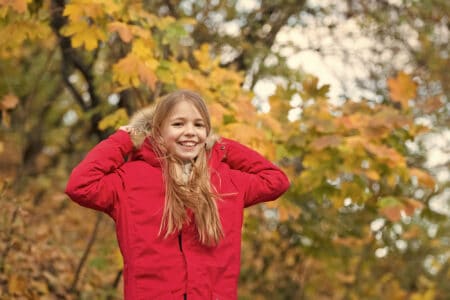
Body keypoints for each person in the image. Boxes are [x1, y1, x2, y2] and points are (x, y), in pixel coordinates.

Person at [65, 90, 290, 300]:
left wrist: (222, 147)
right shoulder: (130, 179)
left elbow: (276, 180)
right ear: (158, 130)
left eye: (199, 125)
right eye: (178, 124)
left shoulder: (226, 182)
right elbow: (80, 186)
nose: (190, 132)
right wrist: (124, 139)